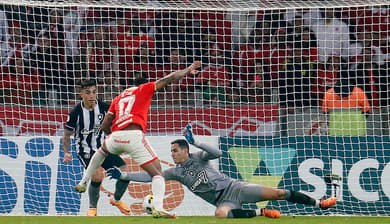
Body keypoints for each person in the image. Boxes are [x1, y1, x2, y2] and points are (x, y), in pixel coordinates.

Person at [106, 125, 337, 219]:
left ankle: (320, 204)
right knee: (220, 215)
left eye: (175, 150)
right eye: (172, 151)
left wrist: (196, 141)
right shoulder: (175, 172)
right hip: (221, 200)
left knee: (278, 193)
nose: (173, 154)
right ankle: (260, 214)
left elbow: (217, 153)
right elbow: (150, 177)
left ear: (185, 150)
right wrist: (125, 176)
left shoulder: (198, 157)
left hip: (235, 188)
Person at [75, 61, 202, 218]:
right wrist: (187, 70)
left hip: (115, 137)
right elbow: (168, 79)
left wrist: (114, 135)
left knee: (102, 150)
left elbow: (105, 125)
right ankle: (158, 207)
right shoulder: (144, 89)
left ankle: (83, 181)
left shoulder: (118, 98)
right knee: (158, 174)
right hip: (133, 136)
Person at [62, 79, 131, 216]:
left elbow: (116, 121)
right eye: (88, 93)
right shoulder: (76, 113)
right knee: (97, 176)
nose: (92, 96)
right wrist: (66, 152)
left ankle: (116, 200)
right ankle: (92, 209)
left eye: (94, 92)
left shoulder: (105, 107)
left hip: (104, 149)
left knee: (125, 173)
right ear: (81, 94)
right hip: (85, 150)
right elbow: (66, 135)